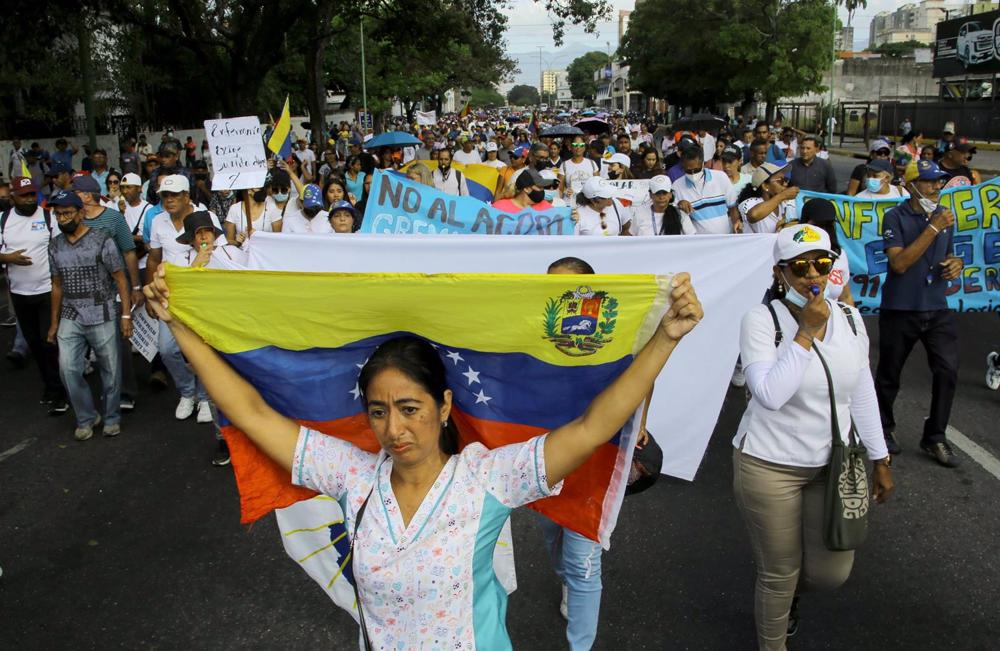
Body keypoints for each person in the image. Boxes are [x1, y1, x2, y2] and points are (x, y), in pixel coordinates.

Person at [142, 260, 702, 650]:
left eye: (410, 408)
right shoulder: (352, 476)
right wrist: (177, 323)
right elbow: (253, 412)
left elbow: (591, 425)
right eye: (379, 411)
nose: (394, 428)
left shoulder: (489, 479)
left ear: (444, 405)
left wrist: (667, 338)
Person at [734, 223, 893, 651]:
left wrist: (880, 458)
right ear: (780, 273)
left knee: (829, 572)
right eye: (799, 267)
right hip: (769, 463)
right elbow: (769, 395)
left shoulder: (850, 318)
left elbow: (860, 391)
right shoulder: (761, 320)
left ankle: (785, 599)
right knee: (779, 571)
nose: (811, 275)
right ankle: (773, 640)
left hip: (832, 464)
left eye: (820, 263)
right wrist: (804, 333)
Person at [875, 160, 964, 467]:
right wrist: (932, 228)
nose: (936, 187)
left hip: (937, 307)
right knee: (889, 375)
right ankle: (883, 429)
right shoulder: (894, 217)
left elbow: (948, 253)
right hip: (901, 309)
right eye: (928, 182)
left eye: (939, 181)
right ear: (911, 185)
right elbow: (899, 264)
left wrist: (956, 264)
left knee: (947, 371)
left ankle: (935, 436)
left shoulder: (944, 218)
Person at [47, 189, 134, 440]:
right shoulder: (55, 246)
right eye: (58, 214)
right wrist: (53, 323)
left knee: (111, 370)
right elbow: (56, 285)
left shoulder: (102, 240)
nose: (62, 219)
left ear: (80, 213)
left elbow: (120, 278)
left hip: (102, 312)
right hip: (70, 313)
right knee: (68, 369)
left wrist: (126, 315)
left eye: (67, 213)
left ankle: (111, 417)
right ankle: (86, 417)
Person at [145, 175, 215, 423]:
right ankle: (188, 393)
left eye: (175, 195)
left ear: (187, 196)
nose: (170, 199)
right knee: (167, 350)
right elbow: (154, 258)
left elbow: (214, 248)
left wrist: (199, 257)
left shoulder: (205, 216)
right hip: (171, 298)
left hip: (201, 299)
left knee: (202, 349)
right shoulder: (157, 221)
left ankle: (207, 396)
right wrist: (149, 292)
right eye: (165, 195)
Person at [71, 174, 143, 411]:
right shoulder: (73, 219)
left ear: (87, 195)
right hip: (84, 294)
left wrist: (134, 287)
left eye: (76, 191)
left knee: (118, 343)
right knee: (97, 346)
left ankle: (126, 392)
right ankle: (107, 391)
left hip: (113, 291)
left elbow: (129, 252)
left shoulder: (113, 218)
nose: (73, 195)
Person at [0, 177, 67, 414]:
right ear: (13, 198)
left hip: (47, 291)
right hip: (19, 293)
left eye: (32, 195)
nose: (29, 200)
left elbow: (62, 247)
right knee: (34, 344)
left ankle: (60, 390)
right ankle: (50, 386)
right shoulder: (3, 220)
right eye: (24, 195)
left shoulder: (48, 217)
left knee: (49, 341)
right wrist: (7, 258)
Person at [799, 198, 854, 305]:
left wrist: (853, 321)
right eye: (818, 224)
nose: (823, 229)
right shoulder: (793, 254)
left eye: (827, 224)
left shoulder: (838, 254)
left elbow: (846, 297)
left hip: (833, 318)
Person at [672, 147, 735, 234]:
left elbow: (732, 206)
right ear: (683, 166)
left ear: (703, 164)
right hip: (700, 243)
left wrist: (736, 223)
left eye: (696, 170)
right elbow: (673, 214)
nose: (693, 174)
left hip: (725, 238)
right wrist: (679, 205)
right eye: (688, 171)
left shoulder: (721, 177)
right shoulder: (677, 186)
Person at [736, 163, 798, 234]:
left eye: (786, 180)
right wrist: (782, 196)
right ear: (765, 186)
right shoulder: (749, 203)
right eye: (780, 181)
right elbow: (753, 216)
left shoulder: (784, 203)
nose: (785, 184)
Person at [492, 168, 558, 213]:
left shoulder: (547, 208)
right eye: (539, 187)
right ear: (526, 189)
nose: (543, 190)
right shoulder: (500, 208)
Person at [560, 136, 600, 200]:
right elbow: (560, 189)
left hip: (589, 203)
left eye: (581, 145)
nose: (578, 147)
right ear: (570, 147)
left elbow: (598, 185)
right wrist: (565, 191)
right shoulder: (564, 165)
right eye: (575, 145)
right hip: (570, 202)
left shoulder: (592, 164)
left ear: (584, 147)